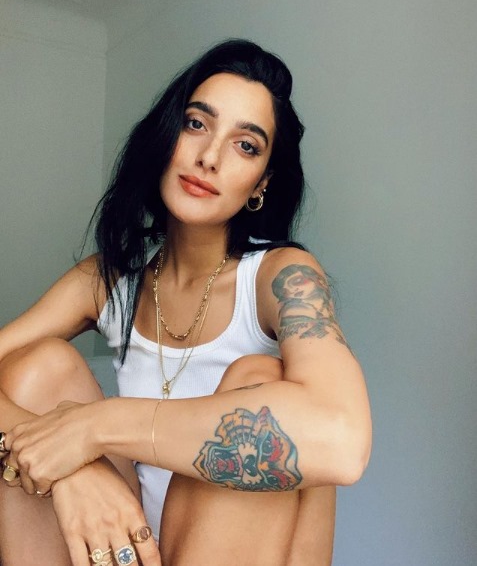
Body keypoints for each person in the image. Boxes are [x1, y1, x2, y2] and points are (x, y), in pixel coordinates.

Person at [0, 39, 372, 566]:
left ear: (262, 183)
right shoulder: (109, 280)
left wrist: (93, 427)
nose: (209, 157)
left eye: (246, 146)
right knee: (39, 367)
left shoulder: (281, 276)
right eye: (197, 124)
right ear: (167, 135)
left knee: (259, 380)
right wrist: (72, 470)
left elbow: (342, 440)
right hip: (126, 549)